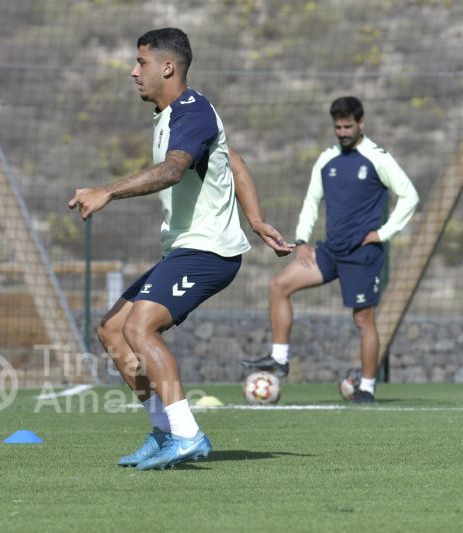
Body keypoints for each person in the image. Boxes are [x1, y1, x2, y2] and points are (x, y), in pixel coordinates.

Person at [68, 28, 291, 471]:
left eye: (141, 62)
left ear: (167, 67)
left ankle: (188, 434)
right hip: (187, 249)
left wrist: (108, 190)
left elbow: (173, 171)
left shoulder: (192, 110)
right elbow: (234, 162)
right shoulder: (171, 115)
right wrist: (256, 219)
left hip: (209, 250)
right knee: (112, 329)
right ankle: (164, 430)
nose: (134, 72)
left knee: (140, 326)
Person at [242, 96, 419, 403]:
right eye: (338, 127)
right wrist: (301, 241)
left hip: (362, 255)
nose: (342, 132)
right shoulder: (327, 159)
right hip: (330, 252)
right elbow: (312, 201)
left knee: (363, 321)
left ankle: (366, 387)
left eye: (348, 126)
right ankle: (280, 358)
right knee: (279, 286)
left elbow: (410, 196)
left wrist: (383, 233)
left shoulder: (377, 158)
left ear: (361, 123)